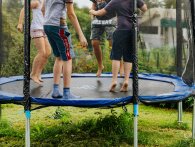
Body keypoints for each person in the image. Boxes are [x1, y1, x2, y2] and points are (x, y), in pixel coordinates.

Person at [90, 0, 147, 92]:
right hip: (133, 30)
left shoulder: (115, 1)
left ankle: (114, 80)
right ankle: (126, 80)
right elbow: (145, 8)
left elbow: (101, 13)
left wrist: (93, 12)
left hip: (121, 29)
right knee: (128, 56)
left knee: (116, 56)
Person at [42, 0, 88, 99]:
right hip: (59, 26)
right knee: (68, 58)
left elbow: (43, 9)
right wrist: (81, 35)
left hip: (47, 25)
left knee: (58, 57)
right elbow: (71, 14)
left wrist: (48, 20)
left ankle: (55, 91)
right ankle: (67, 93)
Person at [17, 0, 51, 85]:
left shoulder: (47, 2)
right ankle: (33, 74)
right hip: (37, 28)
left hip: (44, 29)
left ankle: (38, 73)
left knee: (48, 52)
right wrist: (20, 23)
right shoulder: (36, 2)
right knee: (42, 52)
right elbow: (24, 9)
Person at [90, 0, 124, 77]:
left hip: (110, 19)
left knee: (113, 43)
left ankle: (121, 66)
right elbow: (94, 4)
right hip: (97, 20)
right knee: (94, 43)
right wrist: (92, 18)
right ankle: (100, 66)